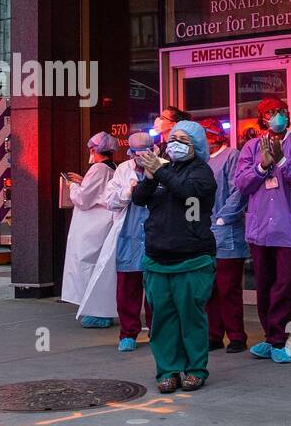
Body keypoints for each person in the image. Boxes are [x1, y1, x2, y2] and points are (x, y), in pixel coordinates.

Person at [132, 121, 217, 393]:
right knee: (163, 319)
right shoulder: (161, 170)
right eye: (172, 138)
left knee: (191, 318)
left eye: (182, 139)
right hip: (157, 258)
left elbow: (188, 192)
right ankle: (167, 370)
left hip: (192, 258)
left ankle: (195, 369)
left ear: (196, 146)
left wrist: (161, 171)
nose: (175, 143)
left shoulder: (202, 173)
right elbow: (139, 199)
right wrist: (149, 176)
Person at [236, 97, 291, 363]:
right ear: (262, 118)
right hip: (261, 225)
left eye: (282, 111)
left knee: (286, 283)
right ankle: (270, 335)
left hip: (290, 224)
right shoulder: (250, 147)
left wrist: (282, 162)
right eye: (271, 112)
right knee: (264, 283)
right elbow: (242, 183)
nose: (278, 116)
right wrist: (262, 166)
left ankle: (279, 338)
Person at [84, 131, 155, 351]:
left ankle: (157, 332)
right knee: (127, 288)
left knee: (155, 289)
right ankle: (128, 333)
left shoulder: (162, 167)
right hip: (129, 235)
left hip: (155, 236)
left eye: (146, 153)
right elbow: (110, 200)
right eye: (137, 154)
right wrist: (128, 190)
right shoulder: (123, 170)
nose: (142, 158)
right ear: (130, 153)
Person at [60, 132, 119, 327]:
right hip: (104, 224)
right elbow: (98, 191)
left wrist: (71, 186)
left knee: (85, 265)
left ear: (94, 150)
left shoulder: (98, 169)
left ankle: (93, 310)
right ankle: (101, 309)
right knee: (100, 267)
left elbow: (84, 199)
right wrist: (82, 180)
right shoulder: (114, 168)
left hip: (90, 227)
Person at [201, 117, 248, 353]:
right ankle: (214, 334)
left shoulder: (231, 156)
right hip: (205, 230)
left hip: (227, 229)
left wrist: (224, 217)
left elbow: (239, 190)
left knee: (228, 286)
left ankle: (236, 335)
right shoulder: (201, 160)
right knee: (209, 287)